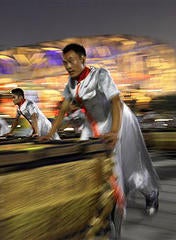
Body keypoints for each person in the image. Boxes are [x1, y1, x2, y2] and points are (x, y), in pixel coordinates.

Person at [40, 43, 159, 216]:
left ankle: (150, 193)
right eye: (65, 62)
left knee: (128, 163)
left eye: (71, 61)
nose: (68, 66)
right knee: (88, 162)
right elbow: (63, 110)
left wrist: (115, 131)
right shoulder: (71, 84)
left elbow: (115, 101)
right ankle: (100, 206)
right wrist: (49, 135)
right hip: (93, 124)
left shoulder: (100, 74)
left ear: (82, 59)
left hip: (118, 121)